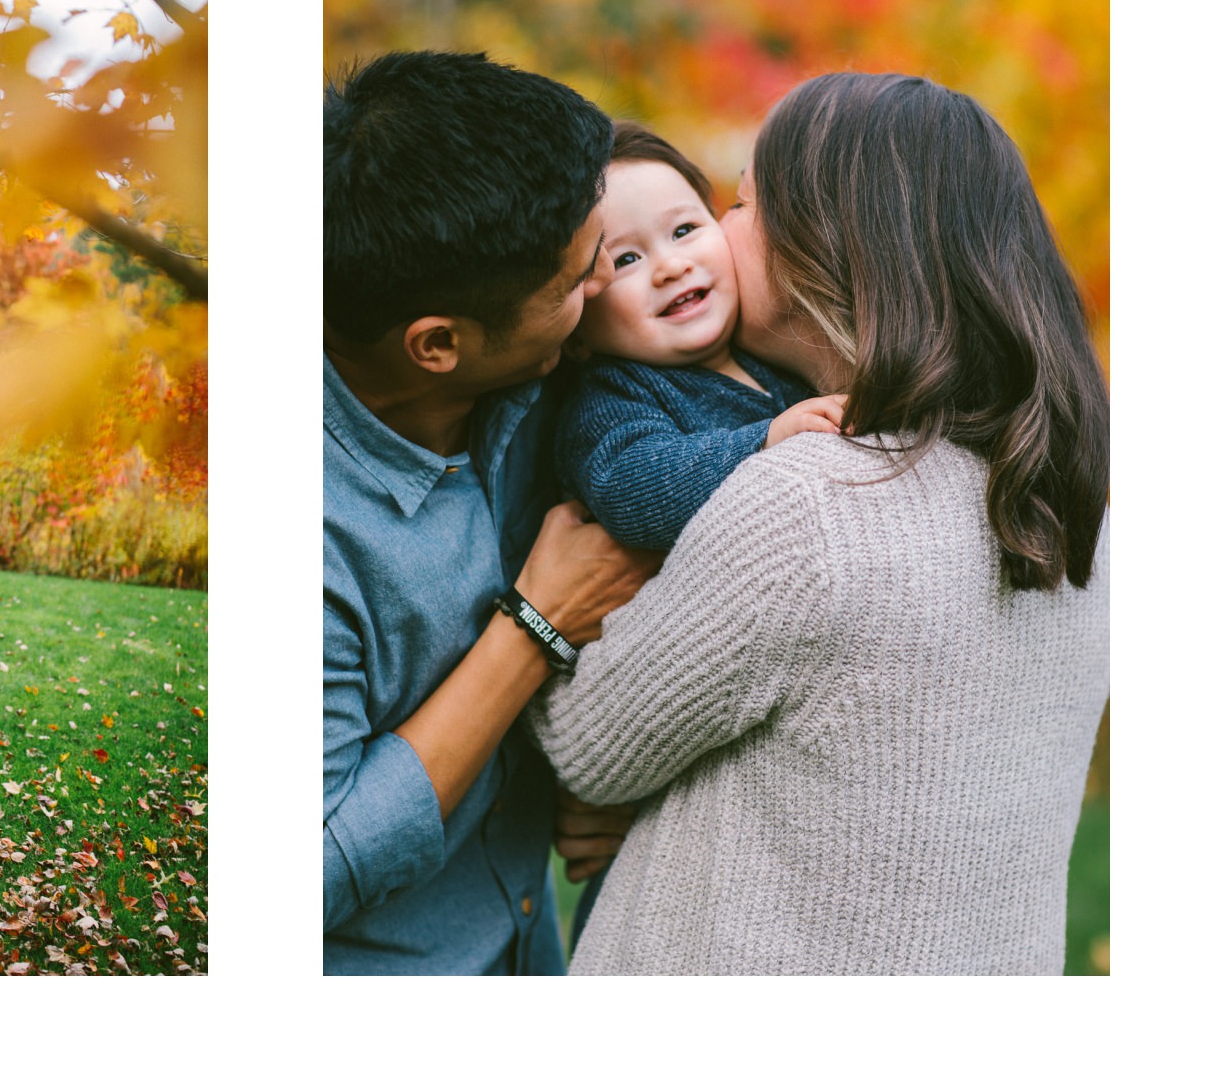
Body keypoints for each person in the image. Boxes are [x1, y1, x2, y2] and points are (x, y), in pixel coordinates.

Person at [530, 72, 1110, 974]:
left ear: (831, 248)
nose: (710, 241)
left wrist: (541, 618)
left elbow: (591, 751)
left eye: (741, 204)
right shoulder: (1069, 500)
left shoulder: (810, 503)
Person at [323, 51, 658, 975]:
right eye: (577, 279)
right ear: (439, 345)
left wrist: (600, 781)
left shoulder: (548, 376)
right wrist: (533, 630)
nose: (607, 287)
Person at [556, 122, 848, 550]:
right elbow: (633, 491)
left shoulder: (770, 352)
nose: (671, 266)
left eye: (683, 231)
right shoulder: (614, 395)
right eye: (626, 259)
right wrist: (764, 443)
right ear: (575, 326)